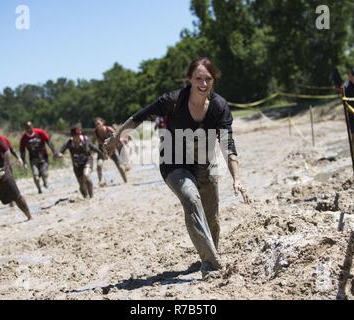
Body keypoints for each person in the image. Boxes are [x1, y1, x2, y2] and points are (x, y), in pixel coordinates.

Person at [105, 57, 251, 279]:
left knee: (212, 217)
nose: (203, 84)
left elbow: (227, 144)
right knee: (191, 199)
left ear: (214, 80)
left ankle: (210, 253)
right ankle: (210, 265)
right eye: (198, 79)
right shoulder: (173, 100)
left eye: (208, 79)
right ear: (189, 79)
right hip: (174, 162)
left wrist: (237, 178)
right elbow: (140, 117)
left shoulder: (220, 106)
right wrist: (116, 137)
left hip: (205, 163)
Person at [58, 127, 103, 198]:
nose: (77, 137)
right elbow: (60, 150)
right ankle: (85, 196)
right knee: (81, 184)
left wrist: (102, 154)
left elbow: (94, 147)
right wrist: (59, 154)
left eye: (78, 135)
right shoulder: (69, 143)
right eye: (75, 136)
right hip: (77, 166)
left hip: (87, 161)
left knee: (86, 175)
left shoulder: (85, 140)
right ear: (72, 136)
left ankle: (92, 197)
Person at [19, 121, 61, 194]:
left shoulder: (40, 132)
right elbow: (22, 151)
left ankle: (45, 181)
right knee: (36, 176)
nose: (29, 130)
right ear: (25, 129)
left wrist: (55, 152)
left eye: (30, 128)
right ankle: (39, 190)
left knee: (44, 173)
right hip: (33, 159)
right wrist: (24, 162)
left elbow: (49, 142)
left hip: (43, 157)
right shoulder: (24, 138)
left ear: (32, 127)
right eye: (27, 128)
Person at [92, 117, 128, 186]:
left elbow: (117, 136)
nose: (97, 126)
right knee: (99, 165)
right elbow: (93, 143)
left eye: (98, 124)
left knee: (120, 167)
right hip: (101, 151)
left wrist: (122, 141)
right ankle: (100, 182)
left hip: (112, 149)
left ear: (103, 123)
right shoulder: (96, 132)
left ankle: (126, 181)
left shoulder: (108, 129)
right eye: (96, 124)